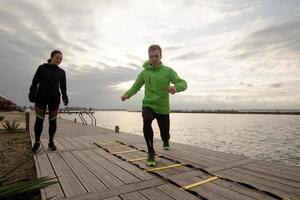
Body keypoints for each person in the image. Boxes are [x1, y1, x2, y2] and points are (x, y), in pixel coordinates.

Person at [121, 44, 187, 166]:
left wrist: (175, 88)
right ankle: (151, 152)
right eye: (151, 56)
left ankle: (166, 140)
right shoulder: (144, 73)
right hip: (148, 104)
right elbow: (136, 87)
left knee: (164, 133)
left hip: (162, 107)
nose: (154, 58)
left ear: (161, 56)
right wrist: (127, 94)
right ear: (148, 57)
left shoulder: (168, 71)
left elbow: (183, 83)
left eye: (156, 56)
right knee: (146, 120)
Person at [28, 50, 69, 152]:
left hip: (54, 99)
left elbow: (63, 87)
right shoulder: (42, 68)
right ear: (51, 57)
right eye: (57, 58)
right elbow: (35, 82)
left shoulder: (61, 72)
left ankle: (51, 142)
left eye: (60, 59)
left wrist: (65, 97)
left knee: (53, 121)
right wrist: (32, 94)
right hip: (41, 98)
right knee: (39, 121)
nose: (59, 60)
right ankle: (37, 142)